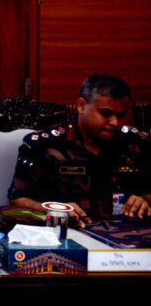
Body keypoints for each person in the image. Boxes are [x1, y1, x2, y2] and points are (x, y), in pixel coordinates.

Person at [8, 74, 151, 224]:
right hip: (66, 230)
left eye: (121, 115)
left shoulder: (137, 144)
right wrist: (53, 209)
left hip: (127, 231)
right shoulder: (45, 146)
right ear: (81, 106)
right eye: (106, 114)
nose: (115, 122)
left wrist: (145, 200)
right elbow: (17, 200)